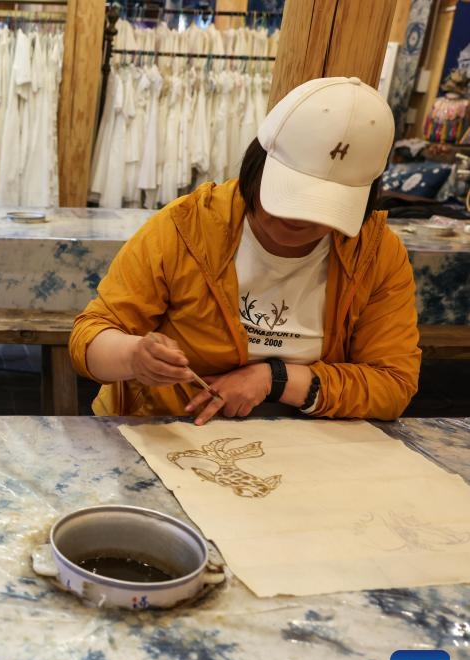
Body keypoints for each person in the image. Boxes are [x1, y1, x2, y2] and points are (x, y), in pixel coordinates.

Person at [69, 76, 420, 425]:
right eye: (290, 193)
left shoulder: (374, 253)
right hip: (170, 425)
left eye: (326, 206)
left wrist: (275, 379)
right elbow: (90, 337)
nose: (298, 219)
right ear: (258, 164)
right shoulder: (187, 227)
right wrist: (134, 357)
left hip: (309, 442)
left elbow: (393, 384)